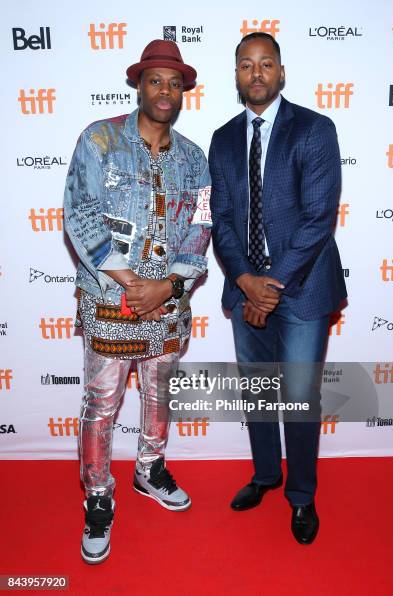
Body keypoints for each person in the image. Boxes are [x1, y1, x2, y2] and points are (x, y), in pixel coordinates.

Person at [64, 39, 211, 564]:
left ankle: (150, 470)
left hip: (168, 307)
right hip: (111, 302)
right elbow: (79, 216)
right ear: (139, 84)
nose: (165, 91)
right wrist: (134, 284)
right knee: (102, 405)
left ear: (183, 91)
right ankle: (98, 494)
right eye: (156, 81)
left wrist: (168, 287)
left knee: (159, 397)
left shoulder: (196, 160)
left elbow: (201, 226)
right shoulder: (98, 141)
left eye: (175, 83)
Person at [209, 32, 347, 545]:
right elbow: (218, 217)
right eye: (247, 65)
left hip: (303, 290)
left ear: (281, 72)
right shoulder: (222, 139)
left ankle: (302, 496)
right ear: (237, 76)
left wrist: (270, 285)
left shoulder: (314, 129)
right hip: (245, 286)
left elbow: (318, 218)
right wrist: (246, 281)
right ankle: (266, 475)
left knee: (296, 394)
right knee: (261, 392)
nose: (257, 73)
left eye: (267, 64)